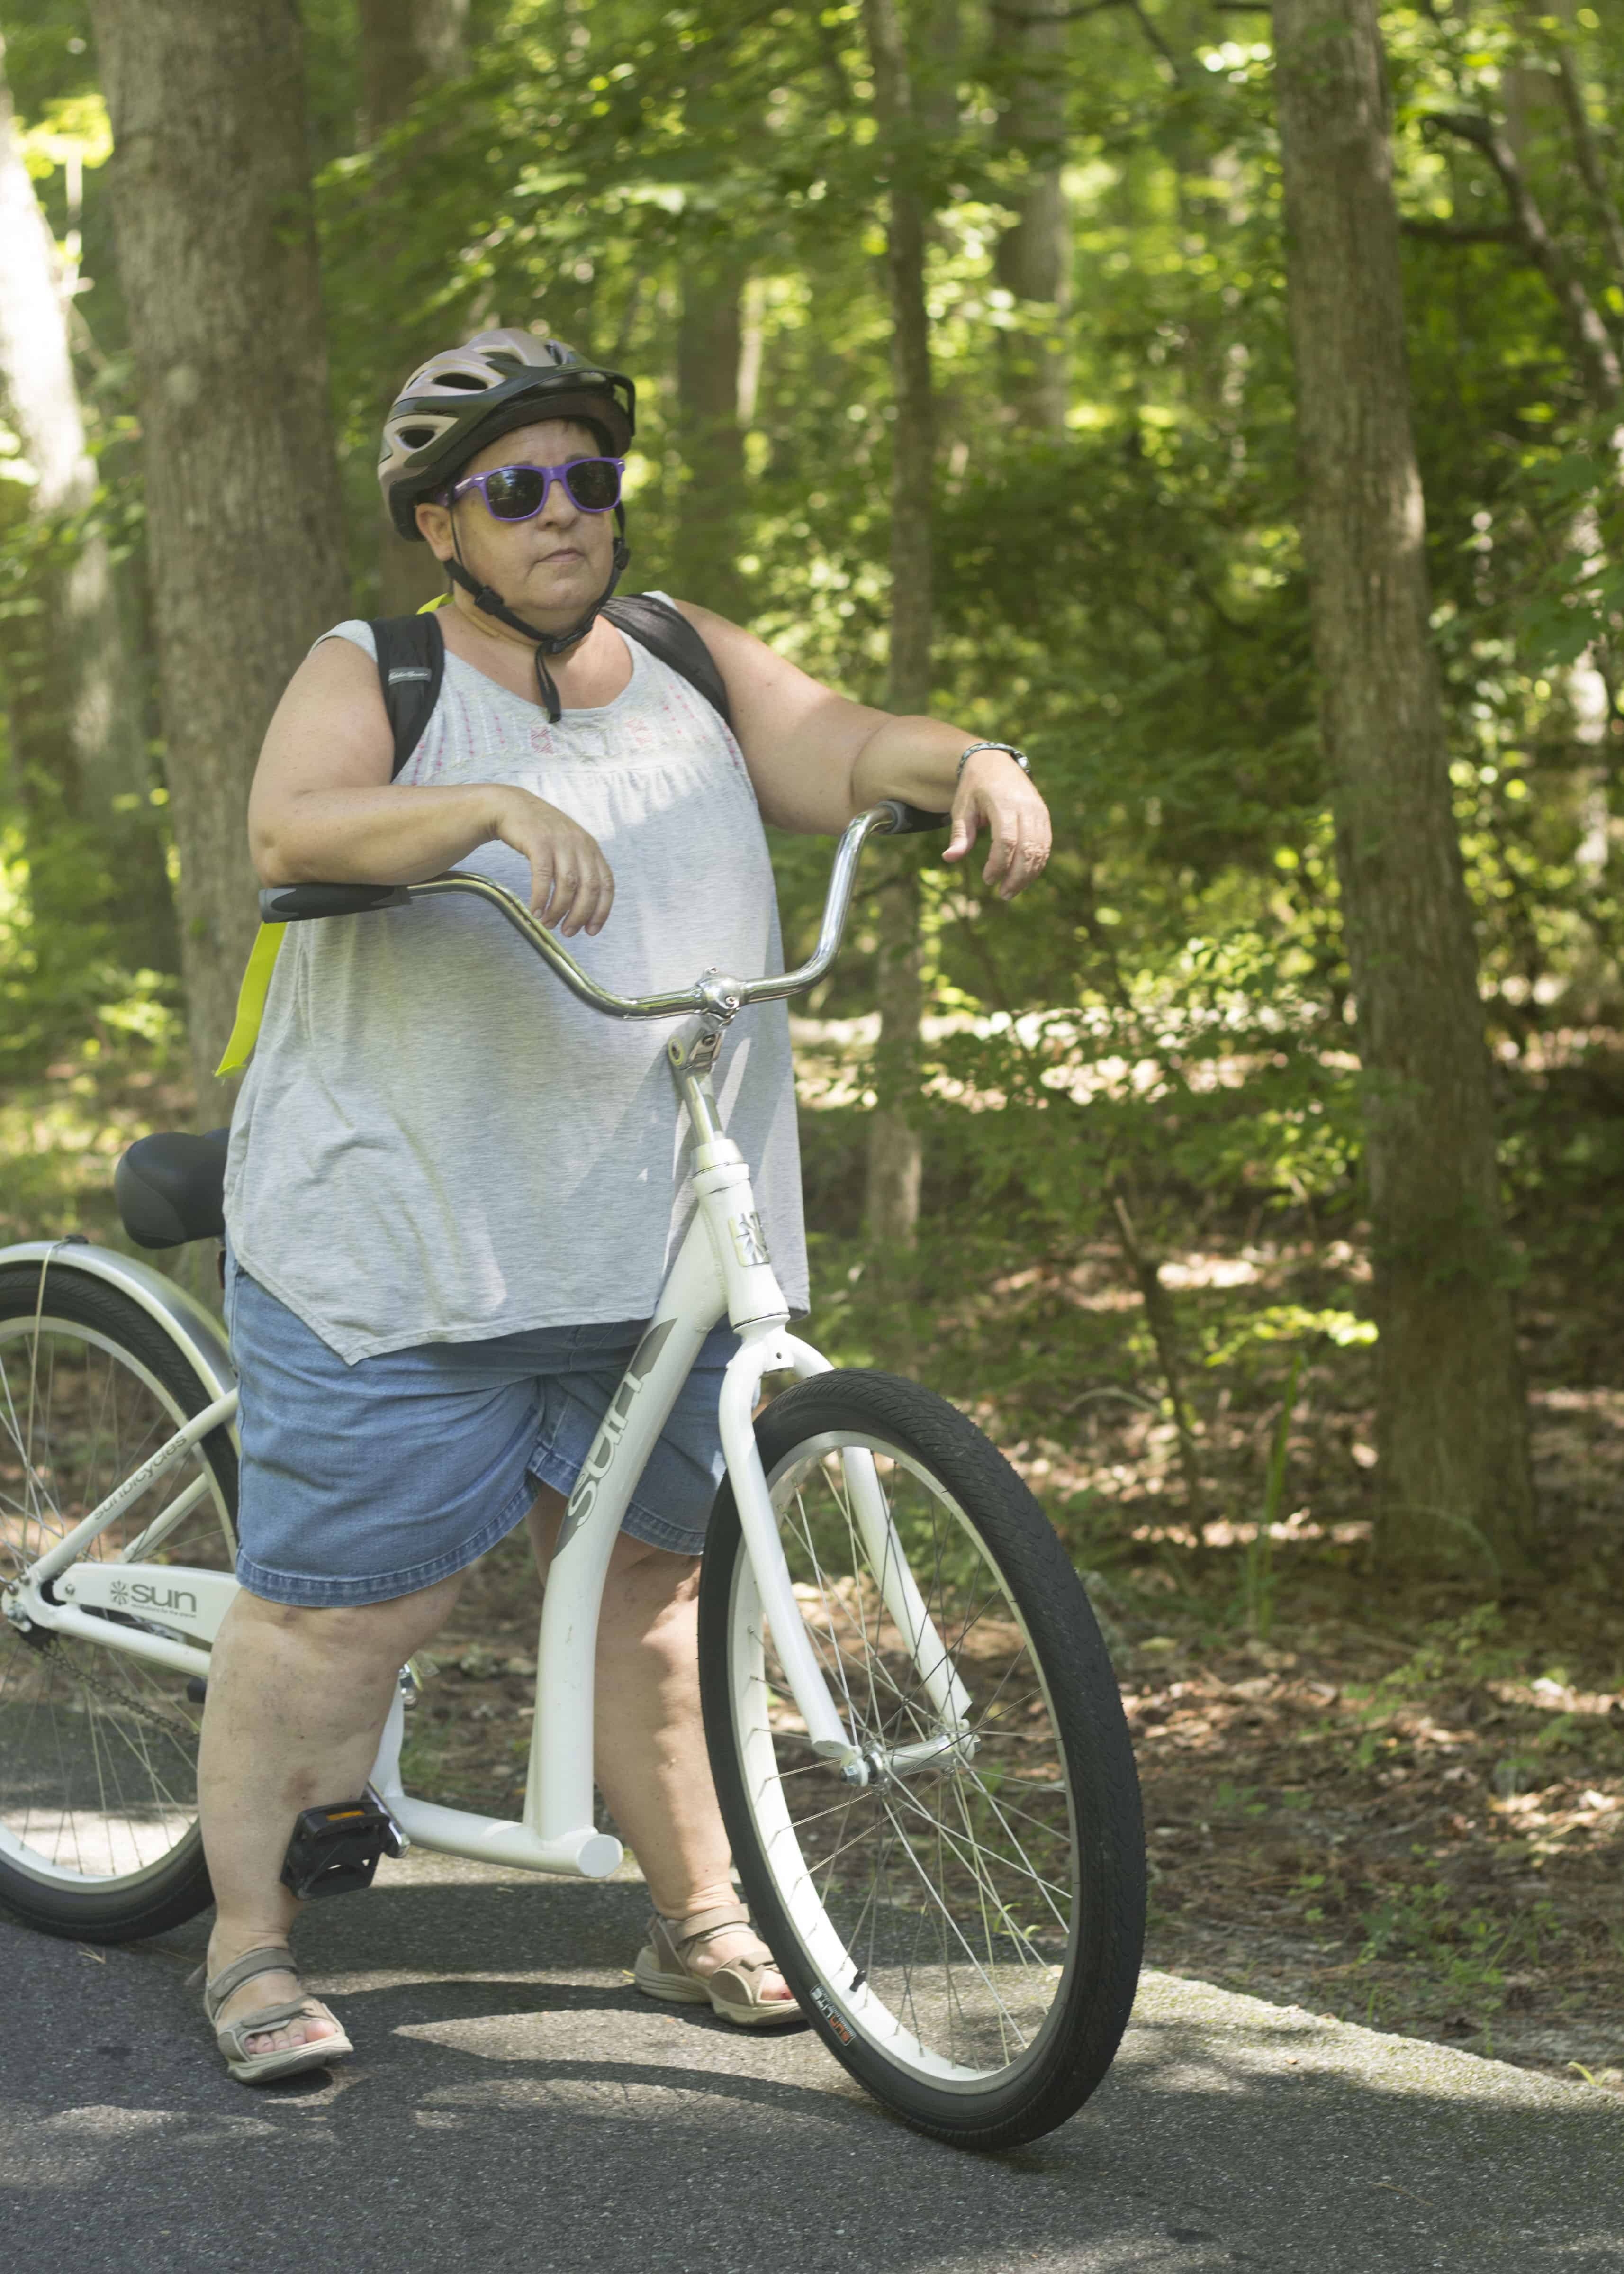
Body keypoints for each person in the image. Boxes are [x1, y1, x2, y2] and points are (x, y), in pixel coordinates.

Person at [200, 326, 1052, 2083]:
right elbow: (293, 828)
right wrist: (486, 804)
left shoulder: (680, 658)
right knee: (344, 1613)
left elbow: (850, 740)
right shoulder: (376, 669)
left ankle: (699, 1919)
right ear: (443, 525)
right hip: (407, 1235)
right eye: (516, 487)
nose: (562, 510)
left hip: (660, 1244)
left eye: (588, 475)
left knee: (661, 1588)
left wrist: (971, 757)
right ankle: (249, 1946)